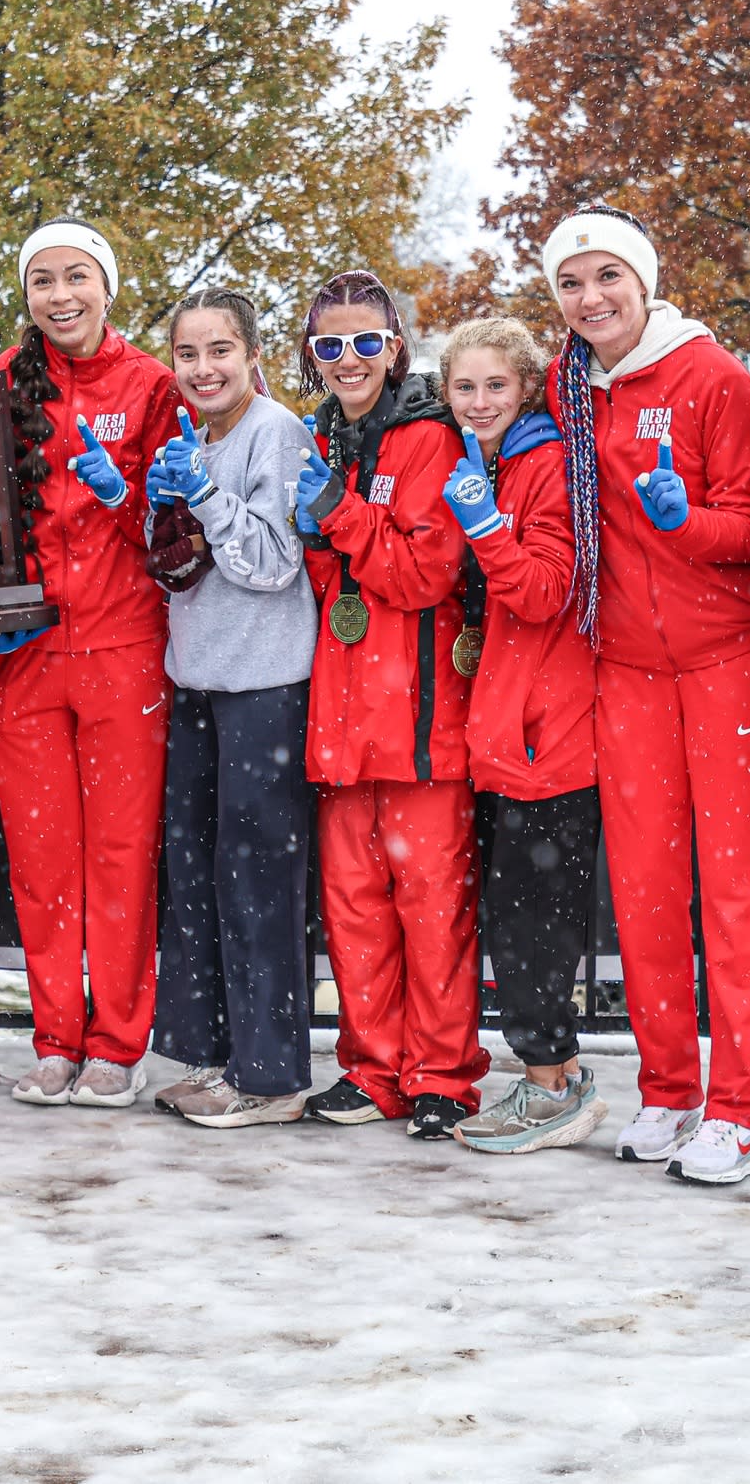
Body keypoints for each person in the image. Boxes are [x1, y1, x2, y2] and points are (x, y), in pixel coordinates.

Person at [541, 203, 750, 1185]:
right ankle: (669, 1088)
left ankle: (742, 1107)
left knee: (736, 894)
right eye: (572, 282)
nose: (591, 297)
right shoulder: (570, 387)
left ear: (644, 282)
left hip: (723, 661)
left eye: (608, 276)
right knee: (643, 892)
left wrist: (688, 525)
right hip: (626, 669)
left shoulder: (710, 377)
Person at [0, 219, 178, 1108]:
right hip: (19, 657)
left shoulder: (153, 386)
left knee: (122, 854)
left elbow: (179, 537)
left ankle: (117, 1042)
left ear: (106, 287)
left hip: (122, 650)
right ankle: (56, 1036)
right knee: (41, 857)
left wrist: (123, 495)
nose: (59, 297)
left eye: (76, 279)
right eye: (42, 283)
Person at [292, 271, 485, 1140]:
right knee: (354, 906)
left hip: (416, 720)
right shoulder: (315, 440)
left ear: (396, 347)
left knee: (432, 906)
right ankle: (371, 1070)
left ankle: (441, 1075)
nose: (348, 359)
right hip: (339, 715)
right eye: (329, 344)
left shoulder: (430, 440)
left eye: (366, 341)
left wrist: (336, 516)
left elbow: (423, 573)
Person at [426, 319, 608, 1155]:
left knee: (536, 920)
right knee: (518, 916)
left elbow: (544, 592)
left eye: (495, 386)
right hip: (511, 730)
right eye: (464, 388)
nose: (479, 401)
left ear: (525, 387)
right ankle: (546, 1075)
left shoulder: (542, 467)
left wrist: (486, 527)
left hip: (549, 737)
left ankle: (551, 1086)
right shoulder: (498, 462)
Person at [141, 288, 319, 1128]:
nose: (202, 368)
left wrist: (204, 502)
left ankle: (273, 1074)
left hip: (263, 687)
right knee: (197, 880)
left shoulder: (274, 432)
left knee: (256, 885)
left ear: (252, 355)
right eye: (186, 353)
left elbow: (274, 561)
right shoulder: (197, 434)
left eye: (219, 351)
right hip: (200, 681)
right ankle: (216, 1057)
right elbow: (180, 562)